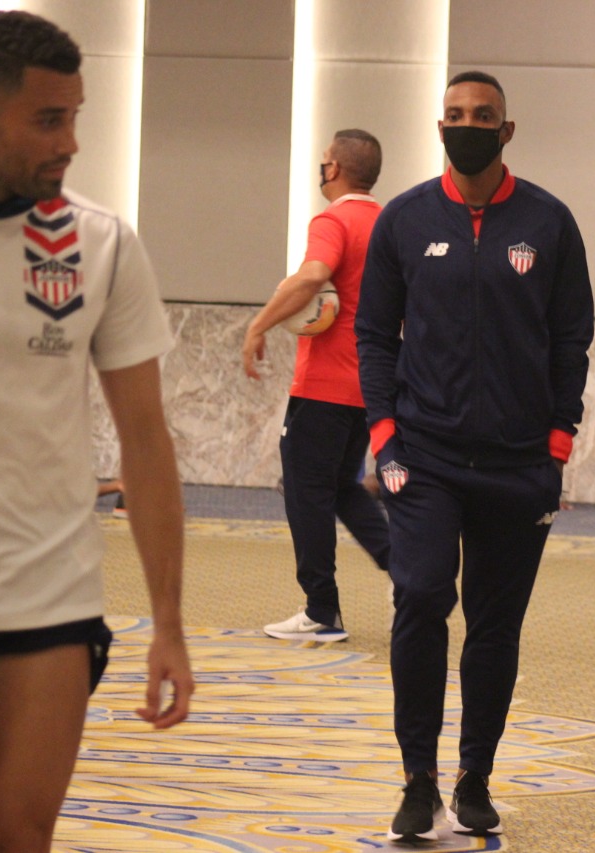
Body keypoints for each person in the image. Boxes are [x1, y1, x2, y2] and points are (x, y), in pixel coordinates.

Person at [0, 11, 193, 851]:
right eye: (50, 119)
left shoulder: (101, 243)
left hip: (47, 604)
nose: (72, 142)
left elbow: (147, 440)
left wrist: (169, 622)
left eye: (77, 116)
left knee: (19, 838)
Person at [356, 70, 594, 841]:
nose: (468, 125)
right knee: (421, 595)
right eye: (455, 115)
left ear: (506, 129)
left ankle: (475, 776)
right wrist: (386, 433)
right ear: (439, 126)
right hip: (422, 455)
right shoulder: (404, 220)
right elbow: (373, 336)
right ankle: (417, 778)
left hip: (520, 462)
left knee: (496, 624)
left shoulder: (549, 222)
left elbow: (570, 337)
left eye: (482, 116)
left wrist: (559, 436)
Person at [243, 129, 390, 642]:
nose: (320, 168)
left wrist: (258, 325)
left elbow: (313, 276)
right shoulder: (388, 222)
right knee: (341, 487)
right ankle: (408, 573)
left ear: (335, 170)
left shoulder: (333, 220)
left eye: (324, 161)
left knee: (305, 490)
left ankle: (321, 611)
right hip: (369, 382)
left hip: (324, 384)